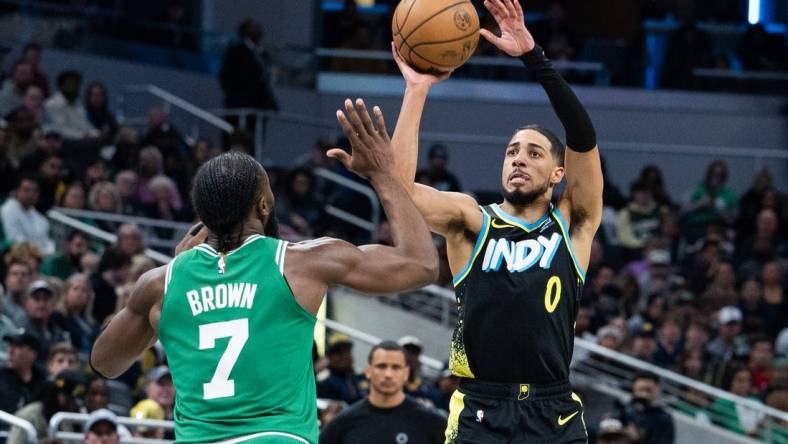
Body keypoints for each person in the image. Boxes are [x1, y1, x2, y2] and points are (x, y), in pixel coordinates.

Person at [90, 100, 439, 444]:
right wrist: (382, 174)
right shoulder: (303, 261)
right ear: (263, 205)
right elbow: (421, 265)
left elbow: (105, 363)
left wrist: (173, 284)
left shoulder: (159, 284)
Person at [390, 0, 601, 441]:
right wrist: (417, 90)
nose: (518, 159)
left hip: (554, 410)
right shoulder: (470, 220)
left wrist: (532, 56)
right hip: (481, 407)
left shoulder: (573, 221)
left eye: (534, 152)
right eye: (511, 151)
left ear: (558, 174)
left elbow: (582, 135)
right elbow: (399, 190)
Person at [319, 341, 445, 444]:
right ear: (368, 370)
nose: (388, 374)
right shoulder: (342, 424)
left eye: (396, 367)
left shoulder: (432, 423)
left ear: (406, 373)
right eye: (381, 366)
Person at [619, 372, 674, 444]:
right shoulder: (622, 408)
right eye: (641, 389)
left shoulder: (664, 419)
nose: (644, 394)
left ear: (657, 389)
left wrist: (637, 440)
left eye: (648, 390)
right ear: (634, 387)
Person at [0, 331, 46, 413]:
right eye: (10, 345)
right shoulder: (2, 377)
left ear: (33, 354)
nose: (11, 351)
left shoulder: (43, 380)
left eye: (18, 346)